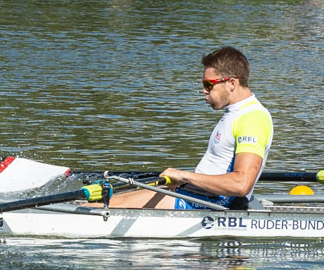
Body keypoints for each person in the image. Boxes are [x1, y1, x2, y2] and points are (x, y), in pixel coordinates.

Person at [111, 46, 270, 210]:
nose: (203, 91)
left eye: (209, 85)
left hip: (210, 204)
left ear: (231, 83)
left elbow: (241, 184)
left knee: (104, 206)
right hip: (197, 195)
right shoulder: (236, 113)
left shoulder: (252, 118)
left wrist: (184, 176)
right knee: (107, 200)